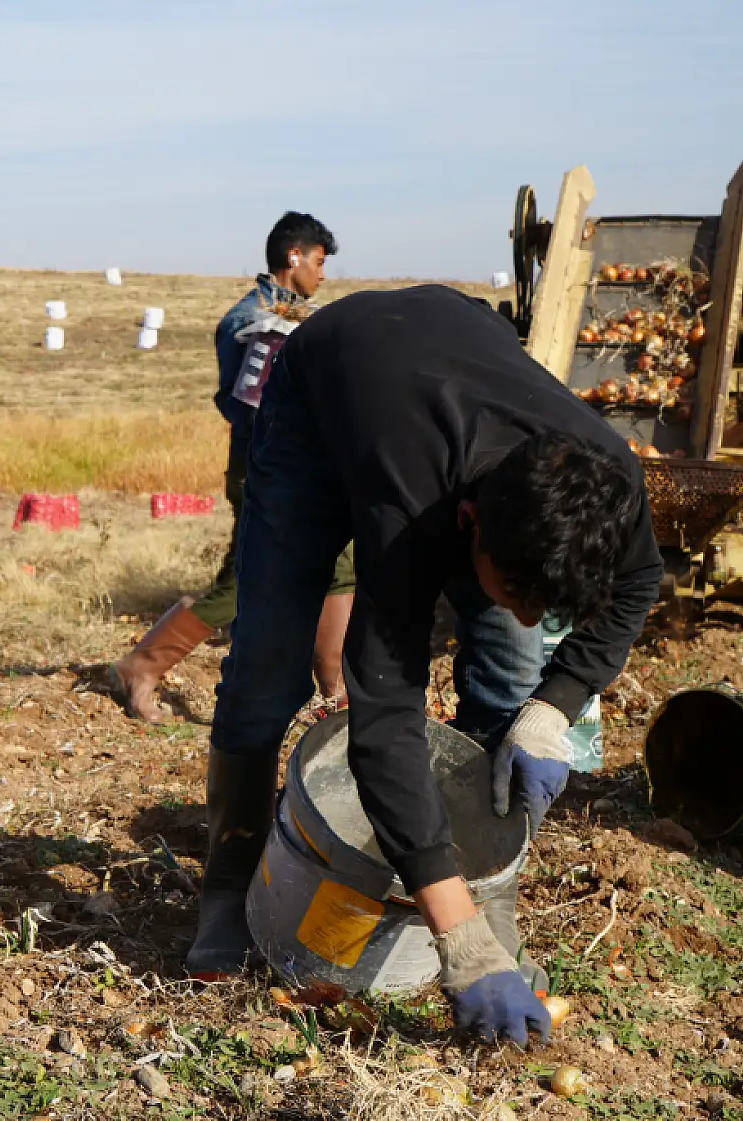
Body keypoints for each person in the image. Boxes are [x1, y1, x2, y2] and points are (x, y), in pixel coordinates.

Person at [193, 286, 661, 1048]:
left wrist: (554, 707)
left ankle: (489, 899)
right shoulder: (409, 517)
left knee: (512, 682)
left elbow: (641, 581)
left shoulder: (608, 483)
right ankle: (227, 874)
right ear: (468, 525)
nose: (528, 619)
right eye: (514, 593)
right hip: (320, 397)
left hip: (445, 360)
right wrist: (460, 948)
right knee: (269, 667)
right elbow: (383, 723)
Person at [110, 212, 355, 721]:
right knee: (243, 581)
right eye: (319, 261)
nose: (322, 274)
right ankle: (143, 665)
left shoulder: (284, 316)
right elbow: (256, 408)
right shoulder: (260, 325)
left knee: (341, 566)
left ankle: (335, 688)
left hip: (298, 471)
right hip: (271, 470)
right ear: (294, 257)